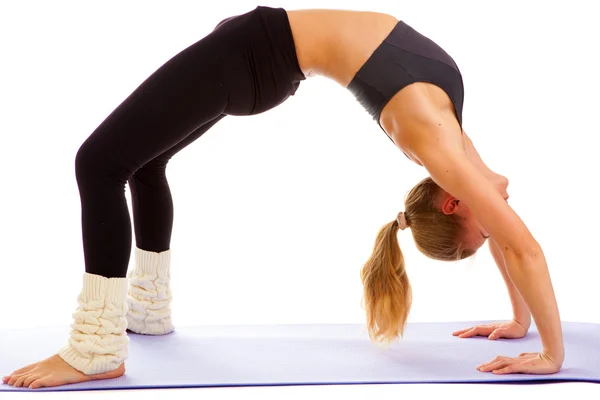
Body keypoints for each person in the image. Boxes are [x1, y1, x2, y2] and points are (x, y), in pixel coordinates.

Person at [2, 5, 563, 389]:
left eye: (485, 226)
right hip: (255, 54)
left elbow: (519, 246)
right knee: (144, 163)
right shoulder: (452, 149)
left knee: (97, 163)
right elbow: (515, 242)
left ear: (452, 204)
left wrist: (548, 350)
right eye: (484, 233)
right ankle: (146, 312)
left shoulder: (440, 144)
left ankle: (96, 345)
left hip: (251, 56)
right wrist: (522, 326)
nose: (498, 215)